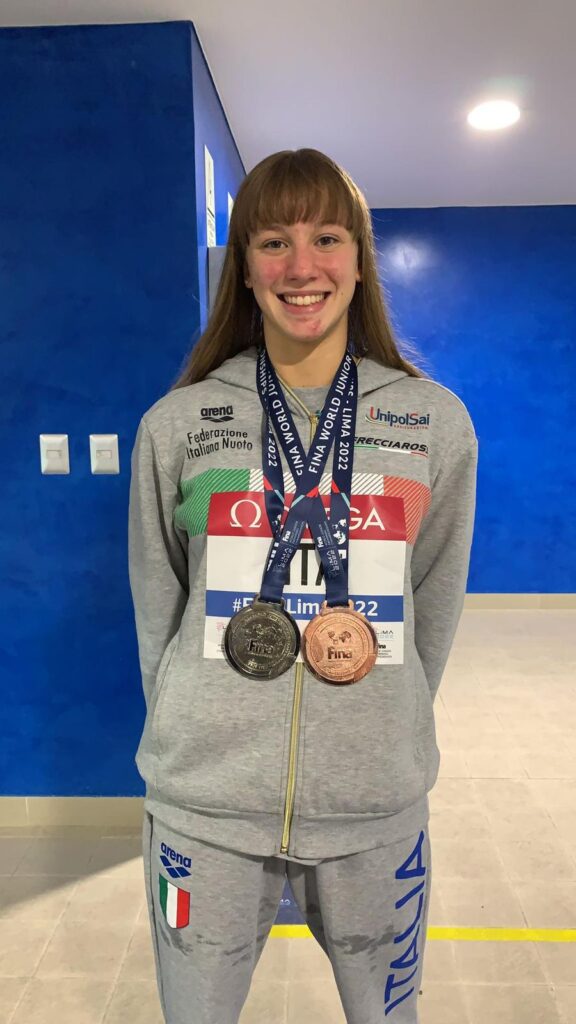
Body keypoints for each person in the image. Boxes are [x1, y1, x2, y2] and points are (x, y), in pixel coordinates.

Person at [128, 148, 478, 1024]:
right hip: (204, 808)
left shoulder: (432, 423)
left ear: (359, 260)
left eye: (326, 237)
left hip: (374, 806)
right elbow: (157, 610)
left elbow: (433, 607)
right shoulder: (179, 423)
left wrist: (385, 724)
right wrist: (194, 728)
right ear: (245, 268)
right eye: (272, 241)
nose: (301, 266)